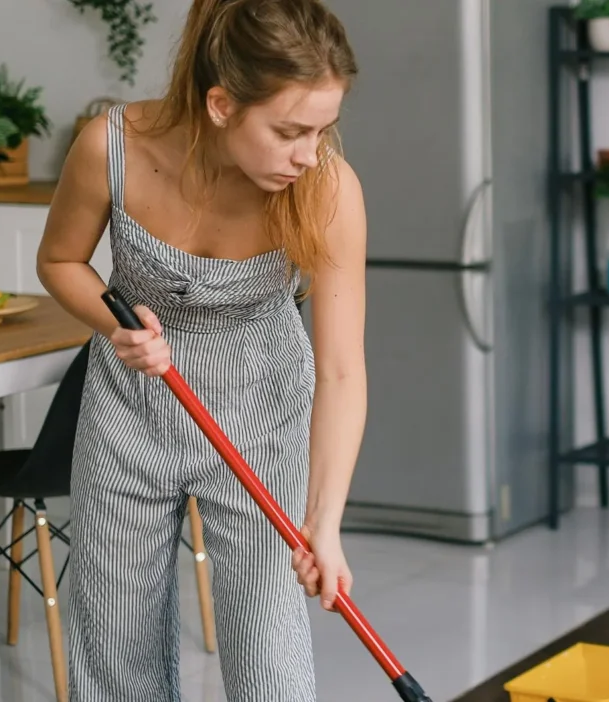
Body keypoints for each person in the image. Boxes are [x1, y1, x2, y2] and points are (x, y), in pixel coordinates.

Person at [35, 0, 364, 698]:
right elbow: (61, 261)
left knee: (270, 663)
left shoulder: (327, 188)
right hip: (131, 414)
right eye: (289, 131)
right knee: (116, 655)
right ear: (221, 104)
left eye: (323, 129)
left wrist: (324, 523)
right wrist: (116, 324)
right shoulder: (112, 146)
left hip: (263, 414)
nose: (309, 154)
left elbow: (340, 370)